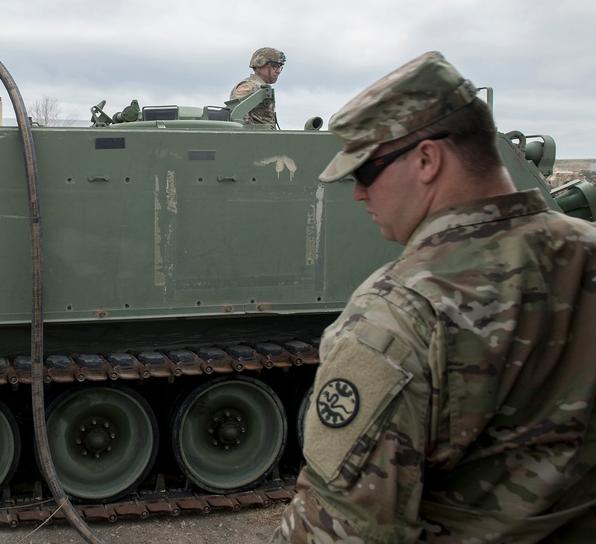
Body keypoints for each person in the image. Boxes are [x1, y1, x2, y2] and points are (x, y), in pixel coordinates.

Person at [276, 51, 596, 542]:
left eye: (365, 172)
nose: (359, 195)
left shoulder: (399, 314)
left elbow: (339, 532)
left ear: (427, 159)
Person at [228, 47, 285, 127]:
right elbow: (238, 116)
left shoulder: (261, 87)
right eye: (274, 66)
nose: (278, 71)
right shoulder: (249, 86)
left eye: (279, 67)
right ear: (260, 65)